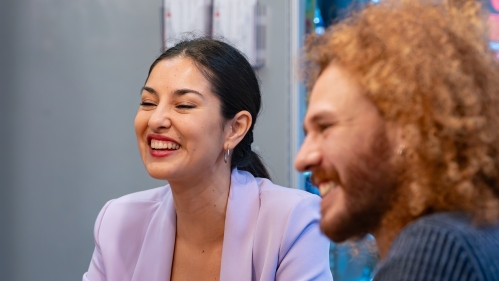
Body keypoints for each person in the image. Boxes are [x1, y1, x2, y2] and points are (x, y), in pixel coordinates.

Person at [83, 38, 332, 281]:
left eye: (184, 105)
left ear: (235, 128)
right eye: (148, 102)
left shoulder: (293, 221)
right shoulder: (118, 222)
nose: (155, 120)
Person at [295, 0, 499, 280]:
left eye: (326, 127)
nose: (302, 159)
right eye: (307, 134)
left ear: (407, 127)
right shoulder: (475, 233)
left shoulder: (435, 251)